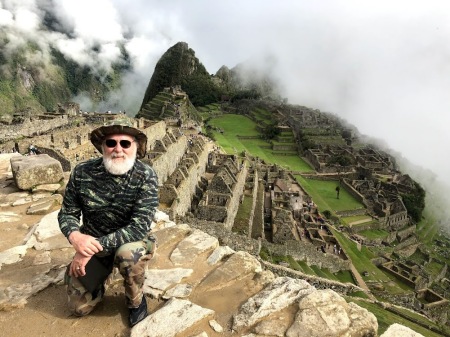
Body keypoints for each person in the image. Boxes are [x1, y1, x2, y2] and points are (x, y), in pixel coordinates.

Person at [58, 118, 159, 327]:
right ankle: (103, 277)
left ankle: (135, 300)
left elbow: (138, 226)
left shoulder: (145, 176)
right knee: (78, 308)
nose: (118, 149)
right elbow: (67, 213)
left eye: (125, 143)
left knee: (126, 255)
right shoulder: (82, 172)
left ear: (136, 146)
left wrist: (88, 251)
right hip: (95, 244)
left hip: (132, 242)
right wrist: (75, 236)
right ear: (102, 147)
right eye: (111, 143)